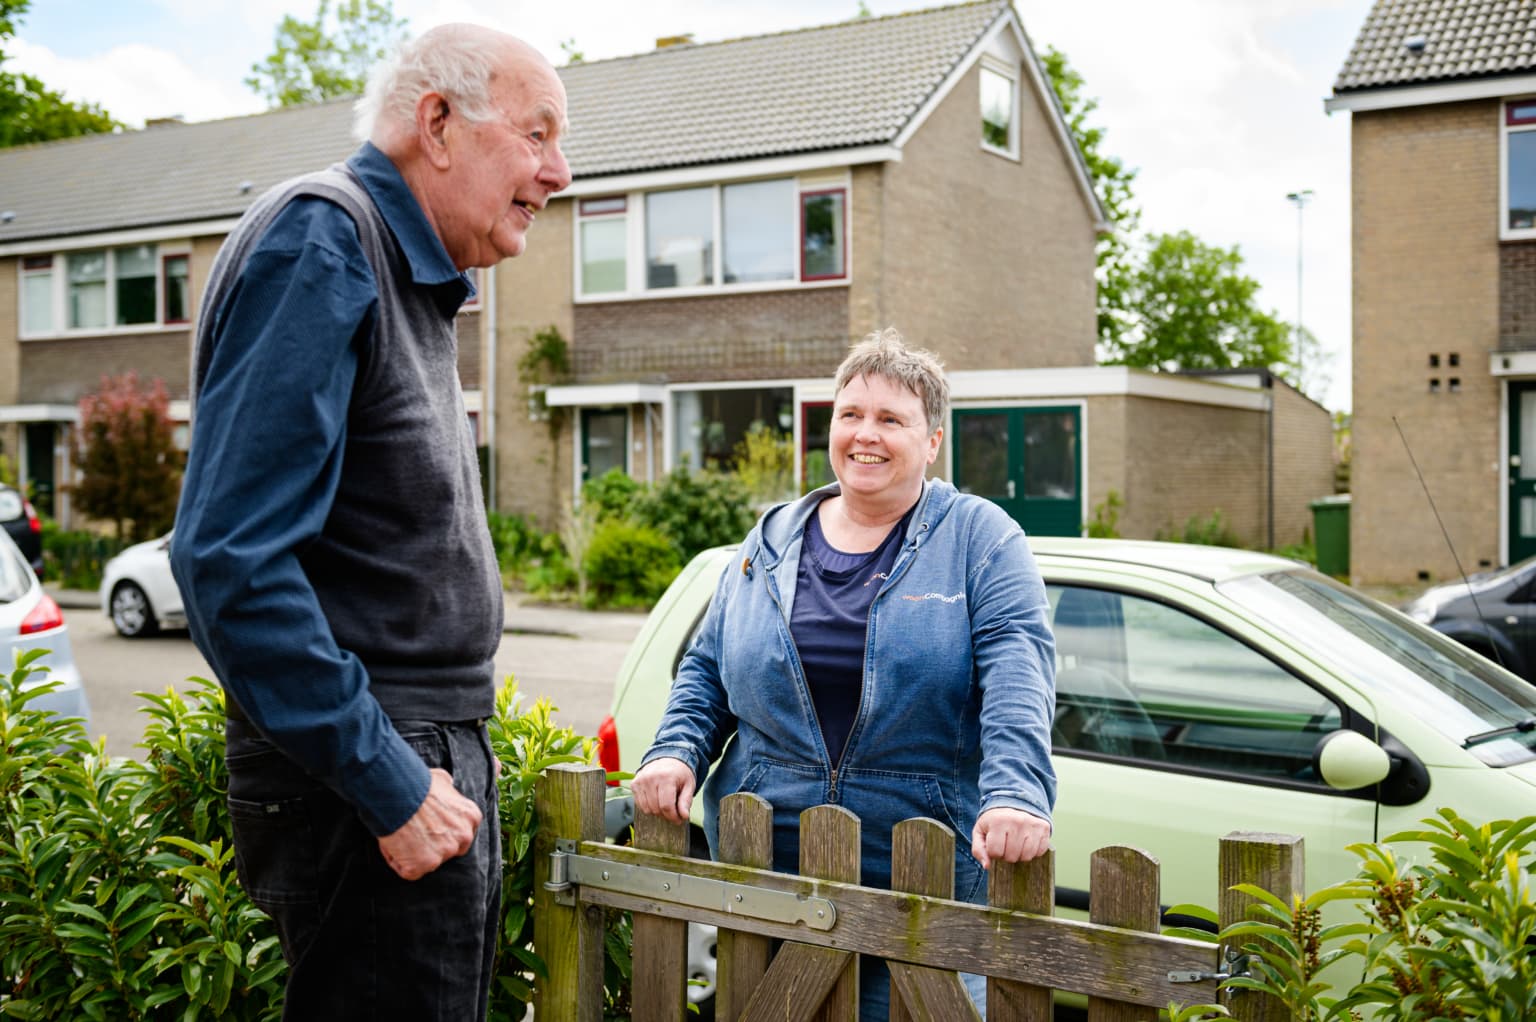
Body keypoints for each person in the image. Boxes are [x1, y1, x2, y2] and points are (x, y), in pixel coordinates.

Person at [169, 25, 570, 1021]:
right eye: (537, 135)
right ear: (438, 123)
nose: (557, 172)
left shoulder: (404, 272)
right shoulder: (325, 239)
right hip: (380, 772)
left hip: (411, 753)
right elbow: (230, 559)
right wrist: (389, 778)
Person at [631, 328, 1056, 1017]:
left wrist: (1017, 792)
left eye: (892, 419)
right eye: (851, 415)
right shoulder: (770, 538)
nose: (866, 434)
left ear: (933, 442)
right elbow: (708, 666)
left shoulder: (981, 538)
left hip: (921, 864)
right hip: (765, 858)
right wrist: (675, 750)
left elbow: (1018, 666)